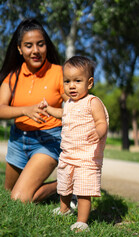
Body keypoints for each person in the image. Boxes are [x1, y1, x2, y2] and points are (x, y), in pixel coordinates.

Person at [0, 18, 69, 203]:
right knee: (8, 193)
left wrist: (56, 113)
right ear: (20, 49)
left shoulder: (59, 73)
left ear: (46, 45)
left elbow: (75, 108)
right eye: (29, 46)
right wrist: (26, 110)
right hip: (18, 140)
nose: (36, 51)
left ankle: (68, 181)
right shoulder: (12, 76)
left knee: (19, 198)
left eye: (40, 44)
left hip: (48, 140)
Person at [40, 56, 109, 232]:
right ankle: (64, 209)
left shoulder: (92, 102)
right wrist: (47, 109)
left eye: (78, 81)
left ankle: (82, 221)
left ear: (90, 83)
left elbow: (102, 122)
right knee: (64, 185)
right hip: (68, 155)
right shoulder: (69, 103)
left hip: (86, 157)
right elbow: (61, 113)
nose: (71, 85)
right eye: (67, 81)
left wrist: (98, 132)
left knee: (83, 190)